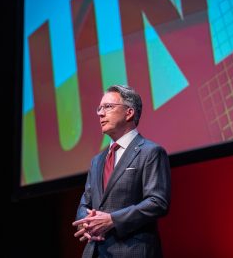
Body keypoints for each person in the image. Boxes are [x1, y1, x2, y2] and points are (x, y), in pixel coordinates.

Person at [72, 85, 171, 257]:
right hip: (95, 251)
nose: (100, 114)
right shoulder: (97, 161)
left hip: (132, 250)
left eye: (108, 107)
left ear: (129, 113)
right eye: (99, 108)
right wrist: (86, 223)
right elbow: (85, 203)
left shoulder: (150, 152)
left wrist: (112, 220)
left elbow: (157, 202)